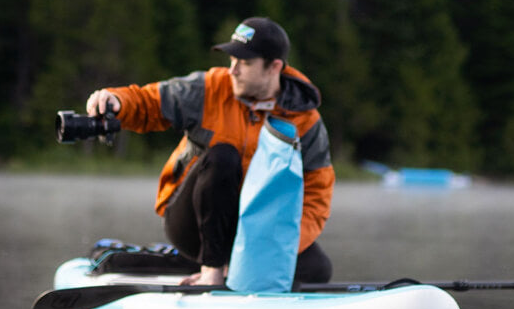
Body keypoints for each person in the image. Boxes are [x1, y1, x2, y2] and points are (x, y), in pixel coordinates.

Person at [85, 17, 334, 287]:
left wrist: (268, 248)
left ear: (274, 67)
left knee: (317, 269)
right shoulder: (210, 88)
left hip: (251, 231)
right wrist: (117, 100)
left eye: (245, 63)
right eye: (232, 60)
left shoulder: (306, 122)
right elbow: (151, 102)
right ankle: (212, 271)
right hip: (191, 221)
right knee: (222, 156)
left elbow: (315, 201)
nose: (233, 70)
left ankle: (200, 265)